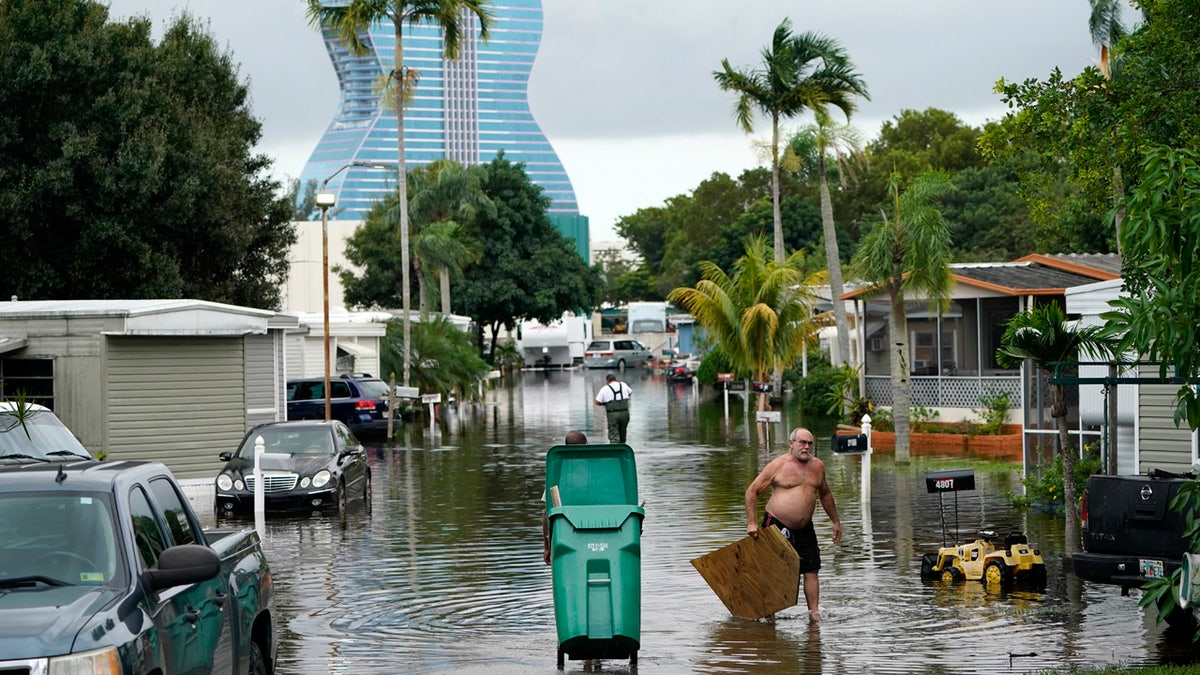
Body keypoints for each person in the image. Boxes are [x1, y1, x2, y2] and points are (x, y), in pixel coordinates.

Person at [745, 427, 842, 621]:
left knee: (811, 569)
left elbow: (825, 494)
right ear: (792, 444)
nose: (806, 447)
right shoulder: (777, 466)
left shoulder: (818, 466)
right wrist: (752, 523)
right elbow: (752, 491)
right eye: (802, 442)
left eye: (810, 443)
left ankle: (814, 614)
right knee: (774, 570)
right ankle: (769, 614)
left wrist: (835, 521)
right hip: (777, 524)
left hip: (805, 528)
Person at [543, 431, 587, 565]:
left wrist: (547, 547)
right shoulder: (596, 470)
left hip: (566, 535)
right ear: (586, 446)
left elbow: (547, 513)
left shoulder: (558, 474)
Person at [594, 373, 632, 443]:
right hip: (625, 413)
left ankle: (615, 451)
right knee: (623, 434)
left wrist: (605, 403)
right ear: (615, 379)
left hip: (612, 414)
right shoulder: (623, 385)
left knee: (614, 436)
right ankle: (623, 450)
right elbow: (630, 392)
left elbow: (597, 402)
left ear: (607, 381)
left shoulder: (605, 388)